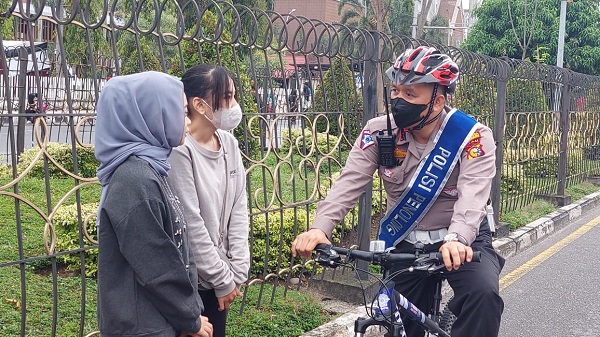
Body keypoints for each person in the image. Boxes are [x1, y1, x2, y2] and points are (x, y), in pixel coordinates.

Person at [291, 47, 504, 337]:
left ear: (437, 101)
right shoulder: (379, 133)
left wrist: (458, 239)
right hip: (406, 242)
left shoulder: (472, 137)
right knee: (396, 323)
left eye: (410, 94)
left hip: (463, 242)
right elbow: (349, 182)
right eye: (395, 91)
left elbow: (473, 195)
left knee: (483, 296)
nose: (398, 101)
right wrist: (320, 228)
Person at [94, 71, 213, 337]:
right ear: (150, 115)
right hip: (143, 328)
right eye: (181, 111)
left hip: (161, 322)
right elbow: (157, 264)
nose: (188, 121)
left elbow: (178, 244)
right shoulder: (134, 181)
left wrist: (187, 314)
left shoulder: (152, 169)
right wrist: (189, 318)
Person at [168, 64, 250, 337]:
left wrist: (237, 272)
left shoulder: (229, 144)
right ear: (199, 105)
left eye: (233, 96)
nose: (234, 105)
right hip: (194, 282)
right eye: (226, 97)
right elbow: (191, 223)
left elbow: (239, 207)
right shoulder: (180, 151)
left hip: (223, 280)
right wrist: (222, 278)